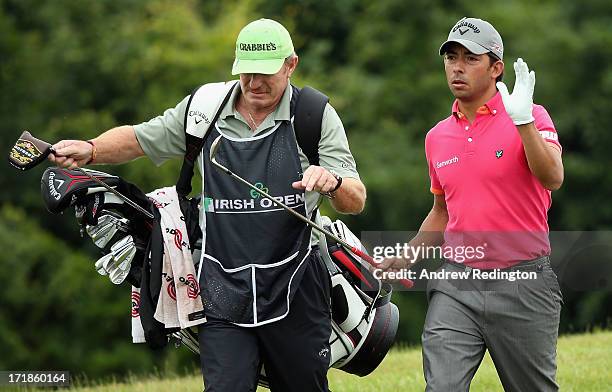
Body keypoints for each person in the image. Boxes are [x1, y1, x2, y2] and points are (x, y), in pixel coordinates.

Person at [50, 18, 366, 392]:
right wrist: (91, 149)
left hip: (296, 286)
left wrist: (332, 182)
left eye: (266, 73)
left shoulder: (313, 115)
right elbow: (140, 138)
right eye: (247, 73)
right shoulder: (204, 110)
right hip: (219, 288)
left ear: (290, 65)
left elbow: (355, 199)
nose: (255, 83)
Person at [380, 17, 564, 391]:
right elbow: (442, 212)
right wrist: (408, 254)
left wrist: (524, 121)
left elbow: (553, 178)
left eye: (470, 58)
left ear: (496, 68)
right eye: (451, 57)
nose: (457, 66)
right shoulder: (437, 137)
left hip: (522, 281)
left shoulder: (531, 116)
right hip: (456, 282)